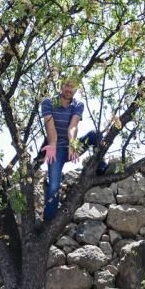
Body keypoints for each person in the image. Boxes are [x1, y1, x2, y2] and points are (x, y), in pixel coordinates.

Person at [40, 76, 108, 220]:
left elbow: (73, 126)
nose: (68, 89)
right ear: (60, 86)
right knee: (53, 187)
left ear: (76, 89)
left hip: (72, 147)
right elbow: (50, 127)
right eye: (66, 85)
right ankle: (48, 220)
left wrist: (73, 145)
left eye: (72, 86)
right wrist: (52, 145)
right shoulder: (48, 103)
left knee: (95, 135)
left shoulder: (78, 105)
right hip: (55, 151)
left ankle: (101, 168)